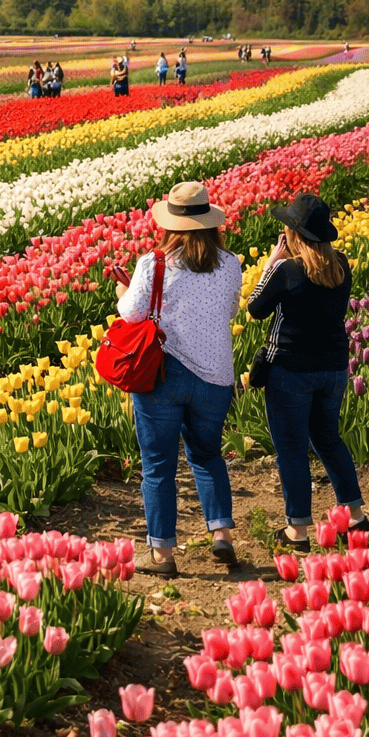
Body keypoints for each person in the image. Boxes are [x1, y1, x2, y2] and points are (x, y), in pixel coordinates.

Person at [116, 182, 242, 577]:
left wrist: (122, 291)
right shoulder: (230, 264)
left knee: (158, 466)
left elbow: (131, 315)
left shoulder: (153, 263)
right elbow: (230, 311)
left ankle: (163, 555)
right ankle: (221, 534)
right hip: (215, 375)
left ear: (170, 225)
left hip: (162, 375)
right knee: (207, 455)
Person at [247, 193, 369, 548]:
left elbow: (255, 308)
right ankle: (356, 517)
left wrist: (270, 264)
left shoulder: (288, 271)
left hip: (291, 370)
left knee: (291, 449)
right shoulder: (340, 265)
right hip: (333, 368)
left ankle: (298, 530)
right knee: (328, 439)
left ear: (294, 234)